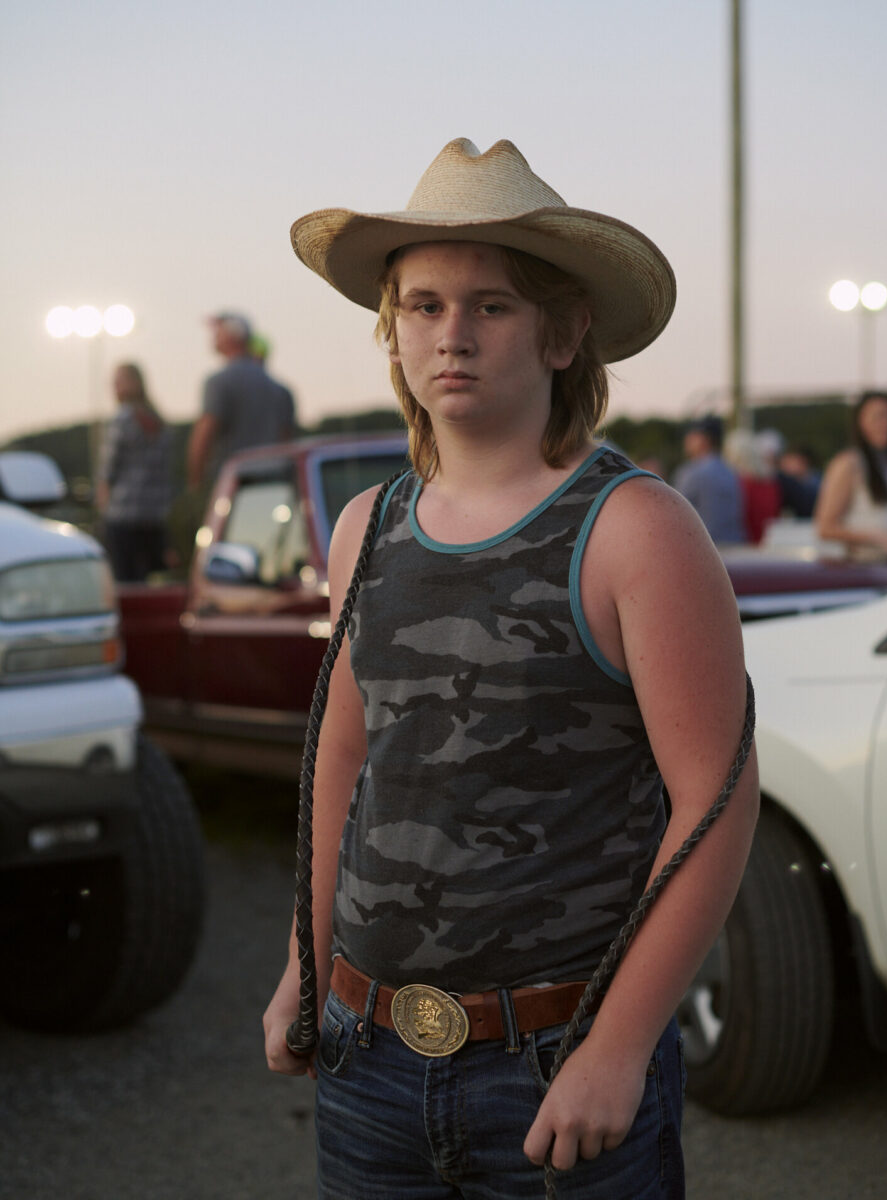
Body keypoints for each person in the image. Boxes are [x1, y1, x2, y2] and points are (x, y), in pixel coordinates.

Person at [263, 137, 759, 1198]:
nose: (453, 335)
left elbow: (714, 803)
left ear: (566, 330)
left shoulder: (636, 529)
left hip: (555, 1063)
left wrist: (619, 1048)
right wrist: (306, 963)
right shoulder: (365, 528)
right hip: (367, 1056)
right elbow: (343, 763)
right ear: (390, 331)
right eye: (424, 305)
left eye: (491, 305)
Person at [815, 391, 887, 578]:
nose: (886, 424)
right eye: (878, 416)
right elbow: (826, 527)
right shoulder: (850, 463)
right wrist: (880, 538)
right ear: (860, 421)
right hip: (878, 568)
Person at [186, 312, 296, 488]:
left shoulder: (218, 382)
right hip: (275, 482)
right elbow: (286, 440)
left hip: (234, 484)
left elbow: (205, 433)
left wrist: (195, 483)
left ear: (232, 336)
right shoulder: (281, 389)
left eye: (218, 331)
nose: (213, 336)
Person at [95, 362, 171, 582]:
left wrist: (103, 511)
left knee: (124, 581)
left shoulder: (122, 419)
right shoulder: (159, 422)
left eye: (118, 382)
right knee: (153, 579)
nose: (114, 388)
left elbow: (107, 470)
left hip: (123, 515)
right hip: (155, 516)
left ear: (134, 384)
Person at [671, 414, 746, 545]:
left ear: (703, 439)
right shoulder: (730, 472)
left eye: (692, 435)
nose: (686, 440)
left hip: (702, 549)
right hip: (734, 546)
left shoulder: (691, 472)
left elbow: (673, 515)